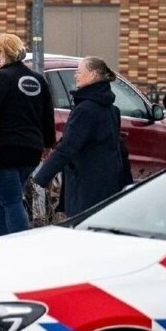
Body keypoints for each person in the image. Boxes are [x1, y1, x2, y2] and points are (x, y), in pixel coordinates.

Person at [34, 56, 127, 217]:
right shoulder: (111, 109)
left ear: (92, 75)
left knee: (84, 228)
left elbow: (68, 146)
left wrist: (42, 177)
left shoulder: (86, 110)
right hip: (108, 180)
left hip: (86, 182)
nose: (75, 75)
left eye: (79, 71)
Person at [0, 34, 55, 237]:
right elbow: (47, 115)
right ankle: (0, 243)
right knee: (3, 200)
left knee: (11, 200)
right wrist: (48, 144)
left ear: (3, 52)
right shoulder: (37, 80)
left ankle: (20, 246)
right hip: (31, 150)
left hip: (4, 150)